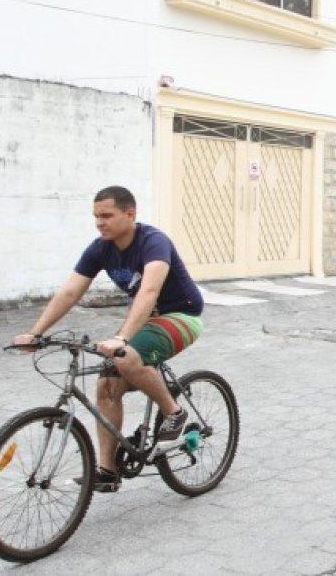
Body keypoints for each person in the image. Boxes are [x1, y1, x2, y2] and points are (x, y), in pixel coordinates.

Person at [12, 186, 205, 492]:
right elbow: (70, 292)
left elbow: (149, 291)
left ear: (130, 214)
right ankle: (107, 471)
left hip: (180, 315)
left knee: (126, 355)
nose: (99, 223)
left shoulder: (153, 242)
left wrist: (122, 337)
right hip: (145, 320)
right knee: (106, 385)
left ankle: (174, 413)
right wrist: (37, 333)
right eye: (96, 216)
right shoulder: (100, 249)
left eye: (106, 215)